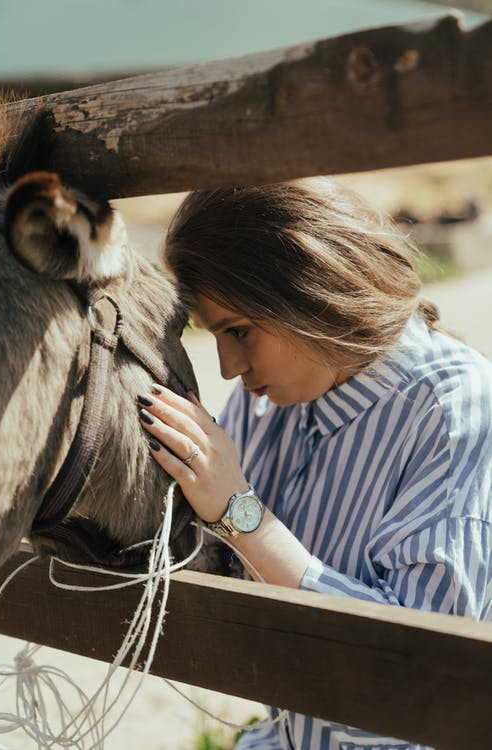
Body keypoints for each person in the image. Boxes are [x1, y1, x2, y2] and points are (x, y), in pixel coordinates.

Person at [137, 178, 492, 750]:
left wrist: (239, 511)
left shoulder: (453, 413)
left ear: (310, 290)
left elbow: (420, 685)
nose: (229, 368)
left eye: (239, 331)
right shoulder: (273, 398)